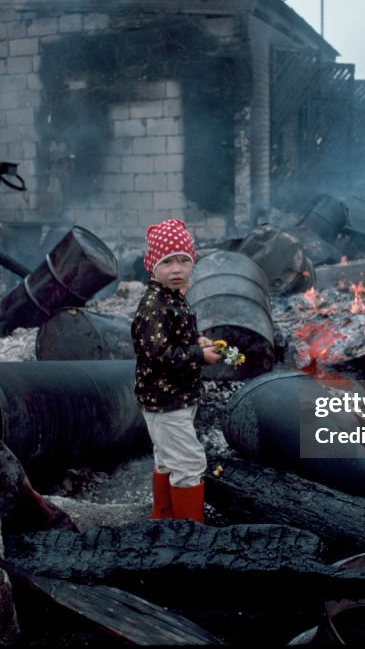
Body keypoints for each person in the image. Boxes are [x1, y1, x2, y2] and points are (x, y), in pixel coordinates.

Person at [132, 219, 220, 522]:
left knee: (168, 458)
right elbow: (161, 354)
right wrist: (200, 355)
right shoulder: (154, 306)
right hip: (165, 401)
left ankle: (164, 518)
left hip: (176, 396)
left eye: (184, 260)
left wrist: (197, 340)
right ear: (152, 266)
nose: (177, 269)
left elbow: (174, 338)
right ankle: (190, 535)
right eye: (167, 262)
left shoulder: (173, 298)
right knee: (189, 462)